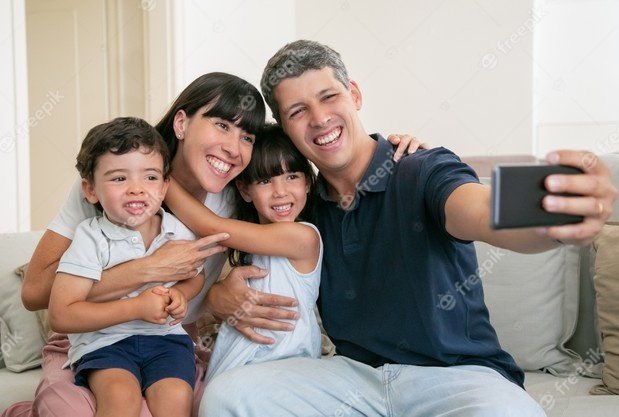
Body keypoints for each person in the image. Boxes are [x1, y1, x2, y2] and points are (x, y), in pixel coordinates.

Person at [200, 40, 619, 416]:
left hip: (456, 378)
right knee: (228, 396)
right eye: (298, 112)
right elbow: (234, 246)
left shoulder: (421, 169)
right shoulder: (298, 204)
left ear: (355, 95)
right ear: (286, 129)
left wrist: (554, 218)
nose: (320, 118)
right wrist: (219, 296)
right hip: (351, 379)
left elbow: (480, 209)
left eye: (329, 97)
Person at [5, 69, 420, 417]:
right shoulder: (116, 181)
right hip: (93, 337)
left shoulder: (238, 192)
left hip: (168, 339)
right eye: (221, 125)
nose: (233, 147)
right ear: (182, 124)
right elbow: (37, 293)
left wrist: (388, 153)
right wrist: (145, 270)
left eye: (246, 136)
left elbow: (305, 173)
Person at [48, 116, 205, 417]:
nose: (137, 189)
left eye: (150, 177)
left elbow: (195, 276)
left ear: (164, 187)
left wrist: (182, 294)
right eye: (119, 178)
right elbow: (61, 314)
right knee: (121, 398)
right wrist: (137, 308)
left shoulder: (177, 231)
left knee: (175, 398)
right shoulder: (91, 238)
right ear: (91, 190)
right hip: (105, 343)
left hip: (166, 340)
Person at [164, 123, 322, 389]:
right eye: (264, 181)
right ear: (245, 190)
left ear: (307, 182)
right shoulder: (249, 247)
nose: (280, 191)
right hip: (236, 367)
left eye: (292, 176)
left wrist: (161, 177)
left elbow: (211, 227)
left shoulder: (304, 237)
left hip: (287, 366)